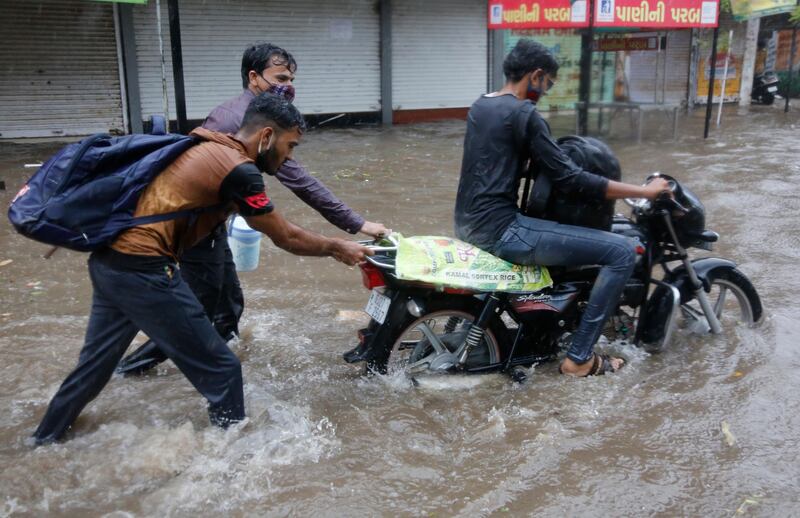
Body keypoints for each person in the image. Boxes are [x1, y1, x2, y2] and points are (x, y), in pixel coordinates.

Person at [32, 93, 372, 445]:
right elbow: (285, 236)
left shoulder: (203, 144)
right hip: (144, 270)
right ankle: (233, 464)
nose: (290, 157)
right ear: (266, 136)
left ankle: (42, 441)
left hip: (109, 263)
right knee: (223, 371)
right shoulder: (240, 172)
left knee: (94, 368)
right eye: (291, 145)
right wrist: (336, 247)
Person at [117, 43, 387, 374]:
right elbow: (298, 186)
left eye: (291, 78)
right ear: (254, 77)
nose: (288, 86)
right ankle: (138, 369)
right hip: (192, 229)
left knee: (229, 303)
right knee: (196, 312)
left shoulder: (250, 116)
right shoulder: (245, 123)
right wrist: (357, 224)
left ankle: (222, 354)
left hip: (208, 224)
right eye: (281, 77)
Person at [454, 39, 670, 377]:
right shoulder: (524, 113)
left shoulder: (482, 106)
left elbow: (498, 163)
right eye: (548, 84)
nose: (545, 91)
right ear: (536, 76)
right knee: (622, 252)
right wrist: (646, 191)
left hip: (468, 225)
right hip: (503, 231)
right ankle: (579, 358)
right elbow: (571, 179)